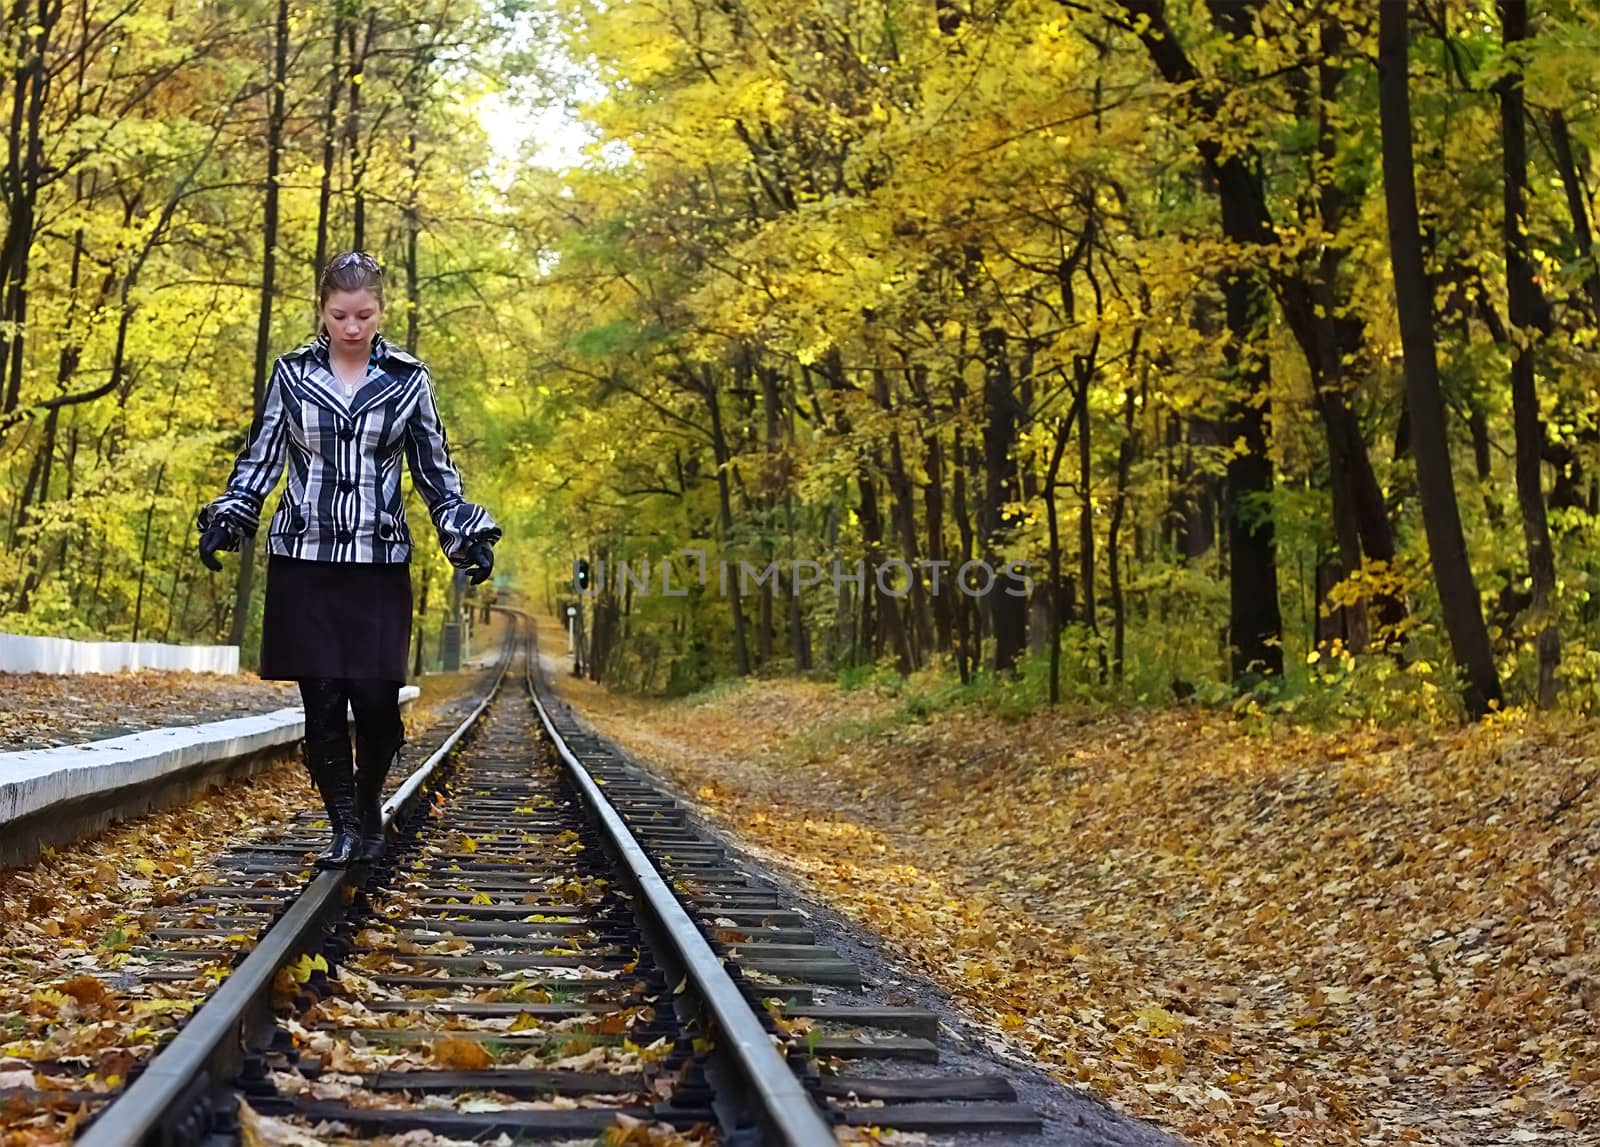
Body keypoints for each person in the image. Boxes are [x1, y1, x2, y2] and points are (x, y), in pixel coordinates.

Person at [196, 250, 501, 869]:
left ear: (381, 311)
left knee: (376, 702)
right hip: (304, 557)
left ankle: (366, 805)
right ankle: (342, 827)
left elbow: (434, 471)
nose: (352, 327)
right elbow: (262, 458)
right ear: (323, 311)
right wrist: (231, 515)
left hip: (377, 559)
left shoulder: (409, 379)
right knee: (324, 702)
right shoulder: (291, 374)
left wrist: (466, 533)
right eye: (340, 315)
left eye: (364, 315)